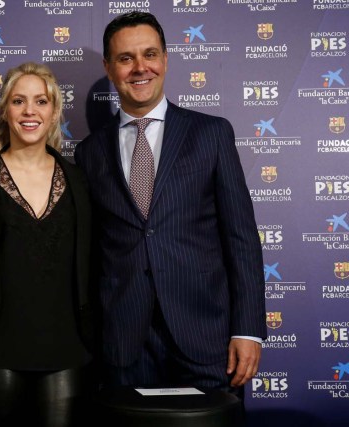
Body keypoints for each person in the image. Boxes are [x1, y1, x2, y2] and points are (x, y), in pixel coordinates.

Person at [74, 11, 266, 395]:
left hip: (206, 339)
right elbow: (93, 251)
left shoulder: (211, 134)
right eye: (126, 58)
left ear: (165, 60)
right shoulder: (89, 152)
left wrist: (248, 329)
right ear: (109, 68)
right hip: (124, 343)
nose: (140, 68)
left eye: (150, 54)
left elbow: (241, 238)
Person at [0, 62, 96, 427]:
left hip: (65, 345)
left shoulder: (78, 179)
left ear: (55, 110)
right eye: (19, 101)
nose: (30, 111)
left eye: (41, 101)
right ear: (5, 110)